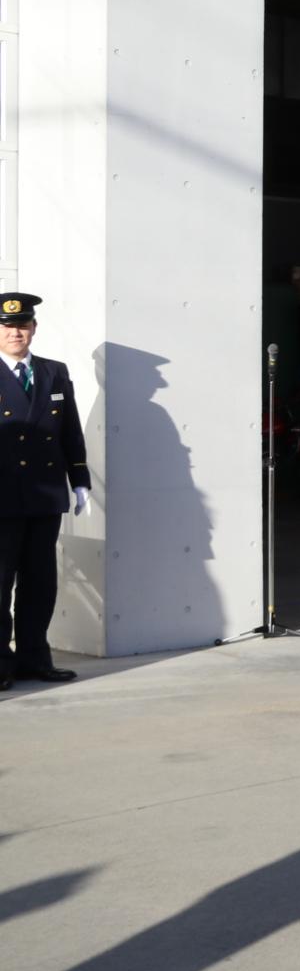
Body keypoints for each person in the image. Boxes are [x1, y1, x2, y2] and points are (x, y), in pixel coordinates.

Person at [0, 292, 90, 692]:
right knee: (0, 583)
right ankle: (1, 663)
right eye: (7, 326)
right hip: (1, 497)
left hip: (44, 495)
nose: (15, 332)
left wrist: (80, 479)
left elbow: (70, 430)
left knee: (40, 581)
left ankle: (35, 658)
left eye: (22, 325)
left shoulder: (54, 372)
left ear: (34, 328)